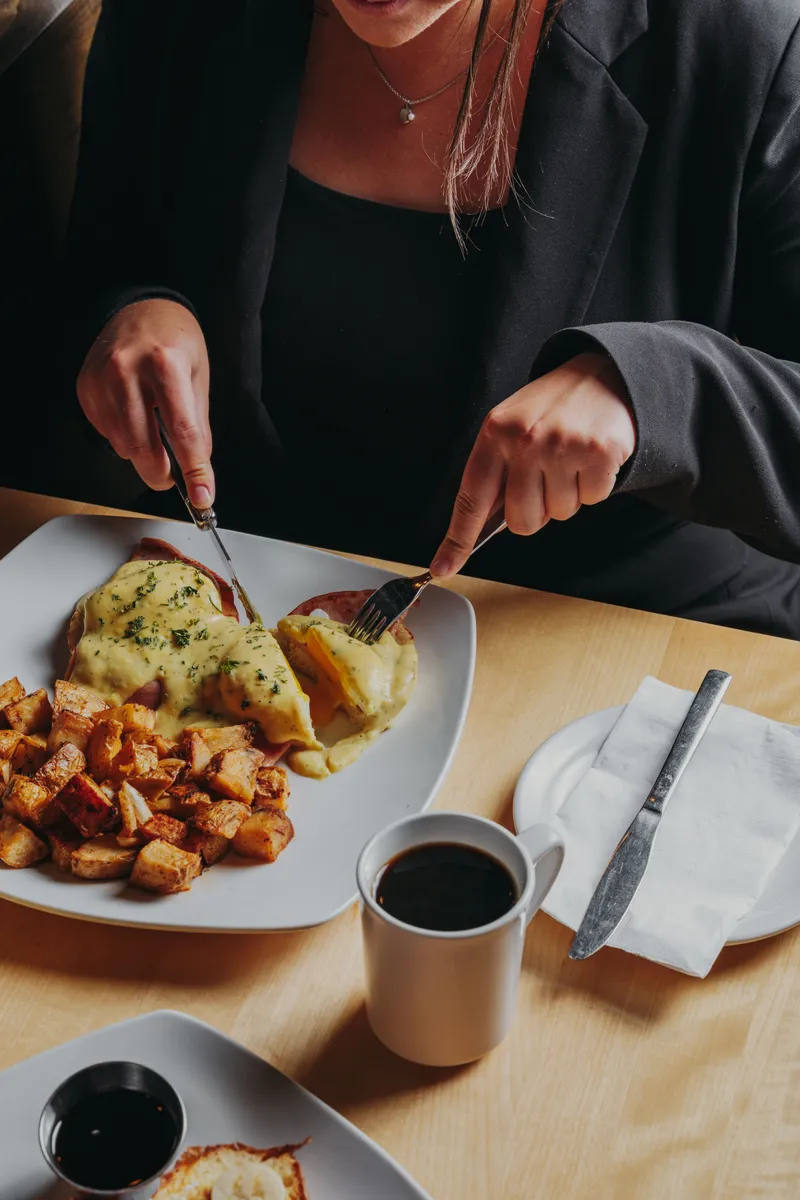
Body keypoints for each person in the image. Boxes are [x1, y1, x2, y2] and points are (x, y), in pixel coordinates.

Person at [62, 0, 800, 636]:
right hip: (240, 619)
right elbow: (92, 271)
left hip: (621, 635)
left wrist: (653, 393)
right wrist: (131, 312)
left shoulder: (741, 35)